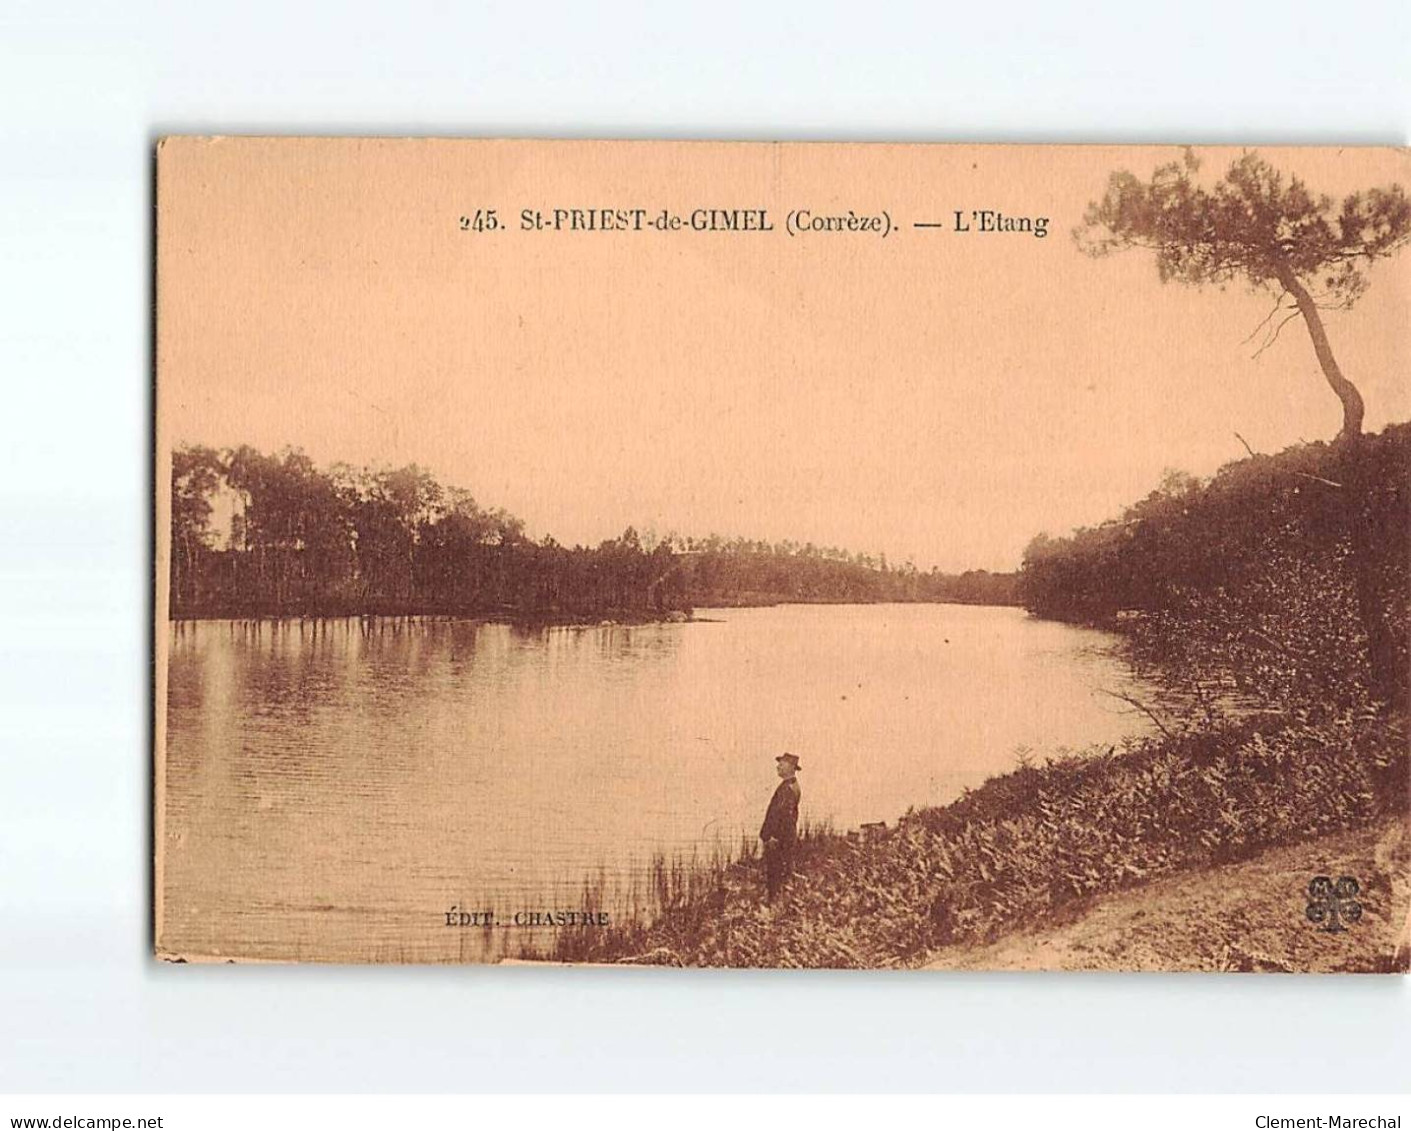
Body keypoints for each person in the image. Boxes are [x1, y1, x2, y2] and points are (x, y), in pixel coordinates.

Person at [759, 752, 802, 904]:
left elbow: (783, 817)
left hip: (778, 840)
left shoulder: (788, 788)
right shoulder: (789, 786)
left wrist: (773, 837)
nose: (778, 767)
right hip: (781, 839)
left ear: (791, 767)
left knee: (775, 874)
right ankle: (776, 903)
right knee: (779, 873)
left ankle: (774, 905)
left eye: (782, 764)